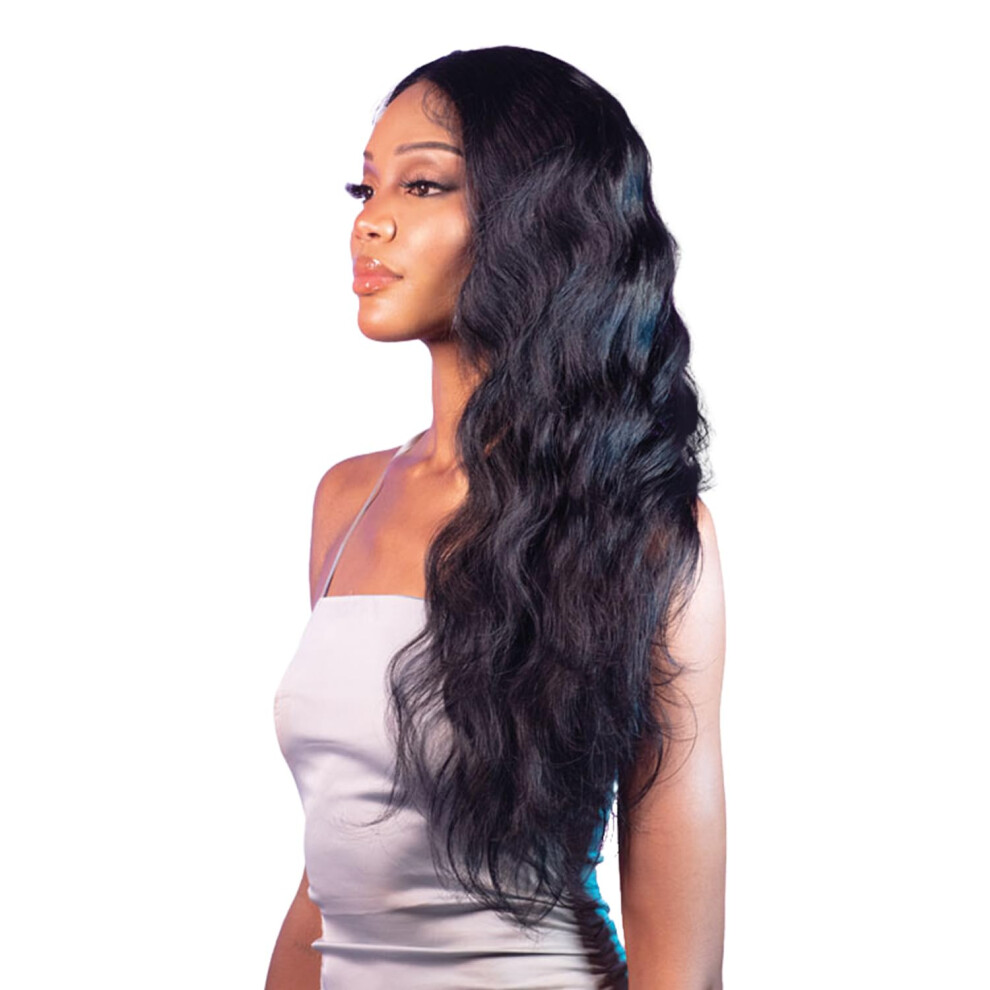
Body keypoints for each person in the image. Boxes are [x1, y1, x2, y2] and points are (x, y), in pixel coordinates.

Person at [267, 46, 726, 990]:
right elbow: (329, 886)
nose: (370, 221)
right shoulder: (347, 500)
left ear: (537, 219)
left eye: (423, 185)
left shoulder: (640, 528)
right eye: (363, 188)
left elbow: (679, 949)